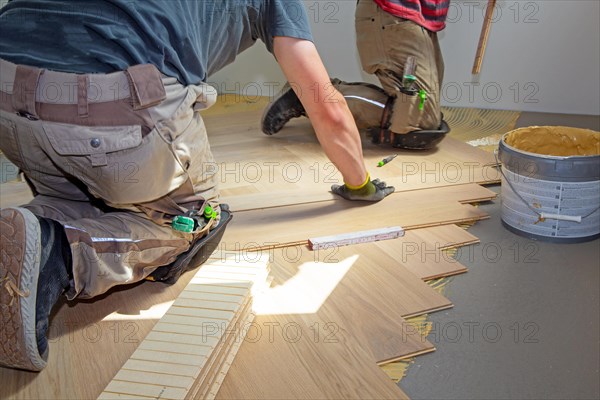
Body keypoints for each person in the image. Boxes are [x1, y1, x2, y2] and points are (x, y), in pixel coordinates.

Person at [0, 0, 394, 372]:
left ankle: (32, 233)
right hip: (105, 105)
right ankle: (58, 254)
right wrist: (359, 184)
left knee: (76, 193)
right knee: (195, 222)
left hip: (6, 89)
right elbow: (325, 104)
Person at [262, 0, 451, 150]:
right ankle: (310, 94)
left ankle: (317, 93)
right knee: (421, 120)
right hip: (394, 15)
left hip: (416, 19)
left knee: (422, 110)